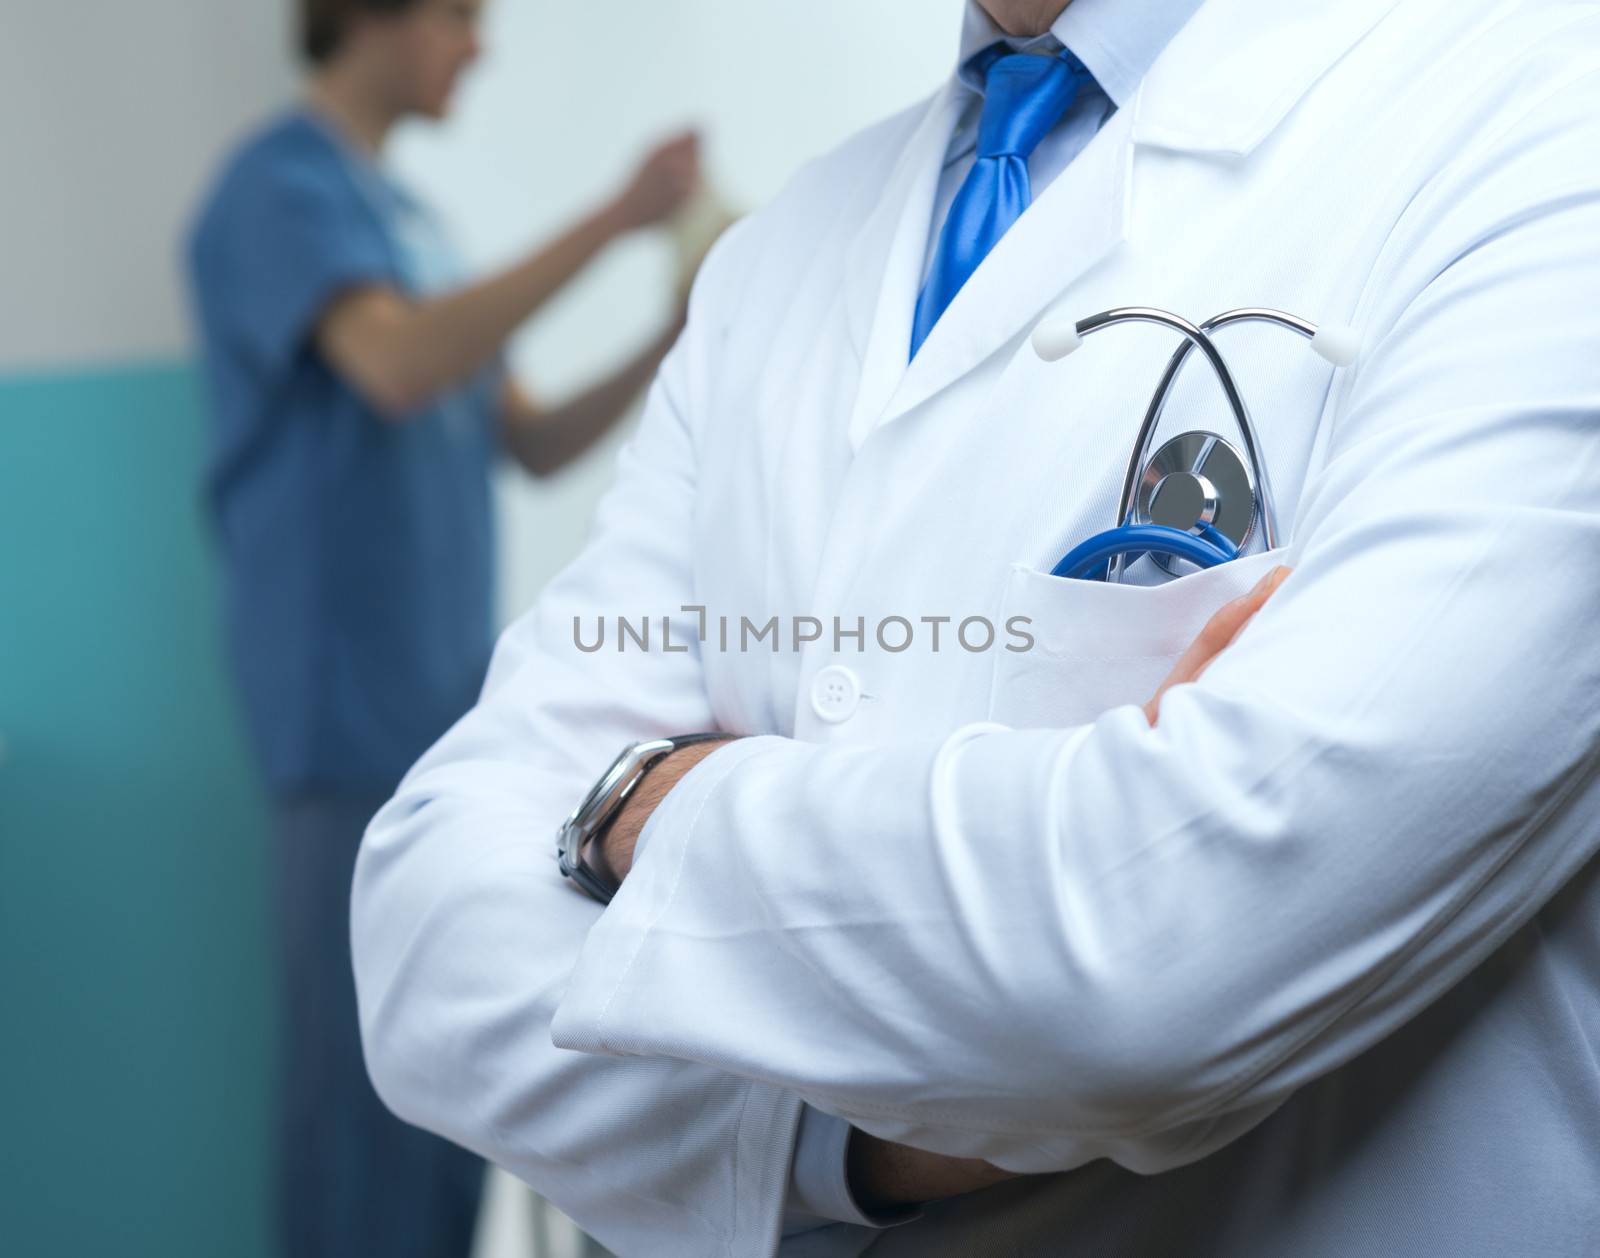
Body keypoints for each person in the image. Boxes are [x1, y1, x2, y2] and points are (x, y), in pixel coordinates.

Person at [351, 0, 1600, 1254]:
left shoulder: (1545, 133)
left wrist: (652, 806)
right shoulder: (775, 258)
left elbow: (1160, 951)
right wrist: (870, 1142)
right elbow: (426, 946)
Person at [185, 0, 701, 1253]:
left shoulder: (411, 222)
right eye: (462, 16)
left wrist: (682, 333)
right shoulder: (273, 191)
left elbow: (526, 439)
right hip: (343, 716)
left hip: (443, 724)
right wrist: (613, 217)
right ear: (374, 13)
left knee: (444, 1108)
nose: (480, 46)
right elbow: (399, 367)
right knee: (354, 1119)